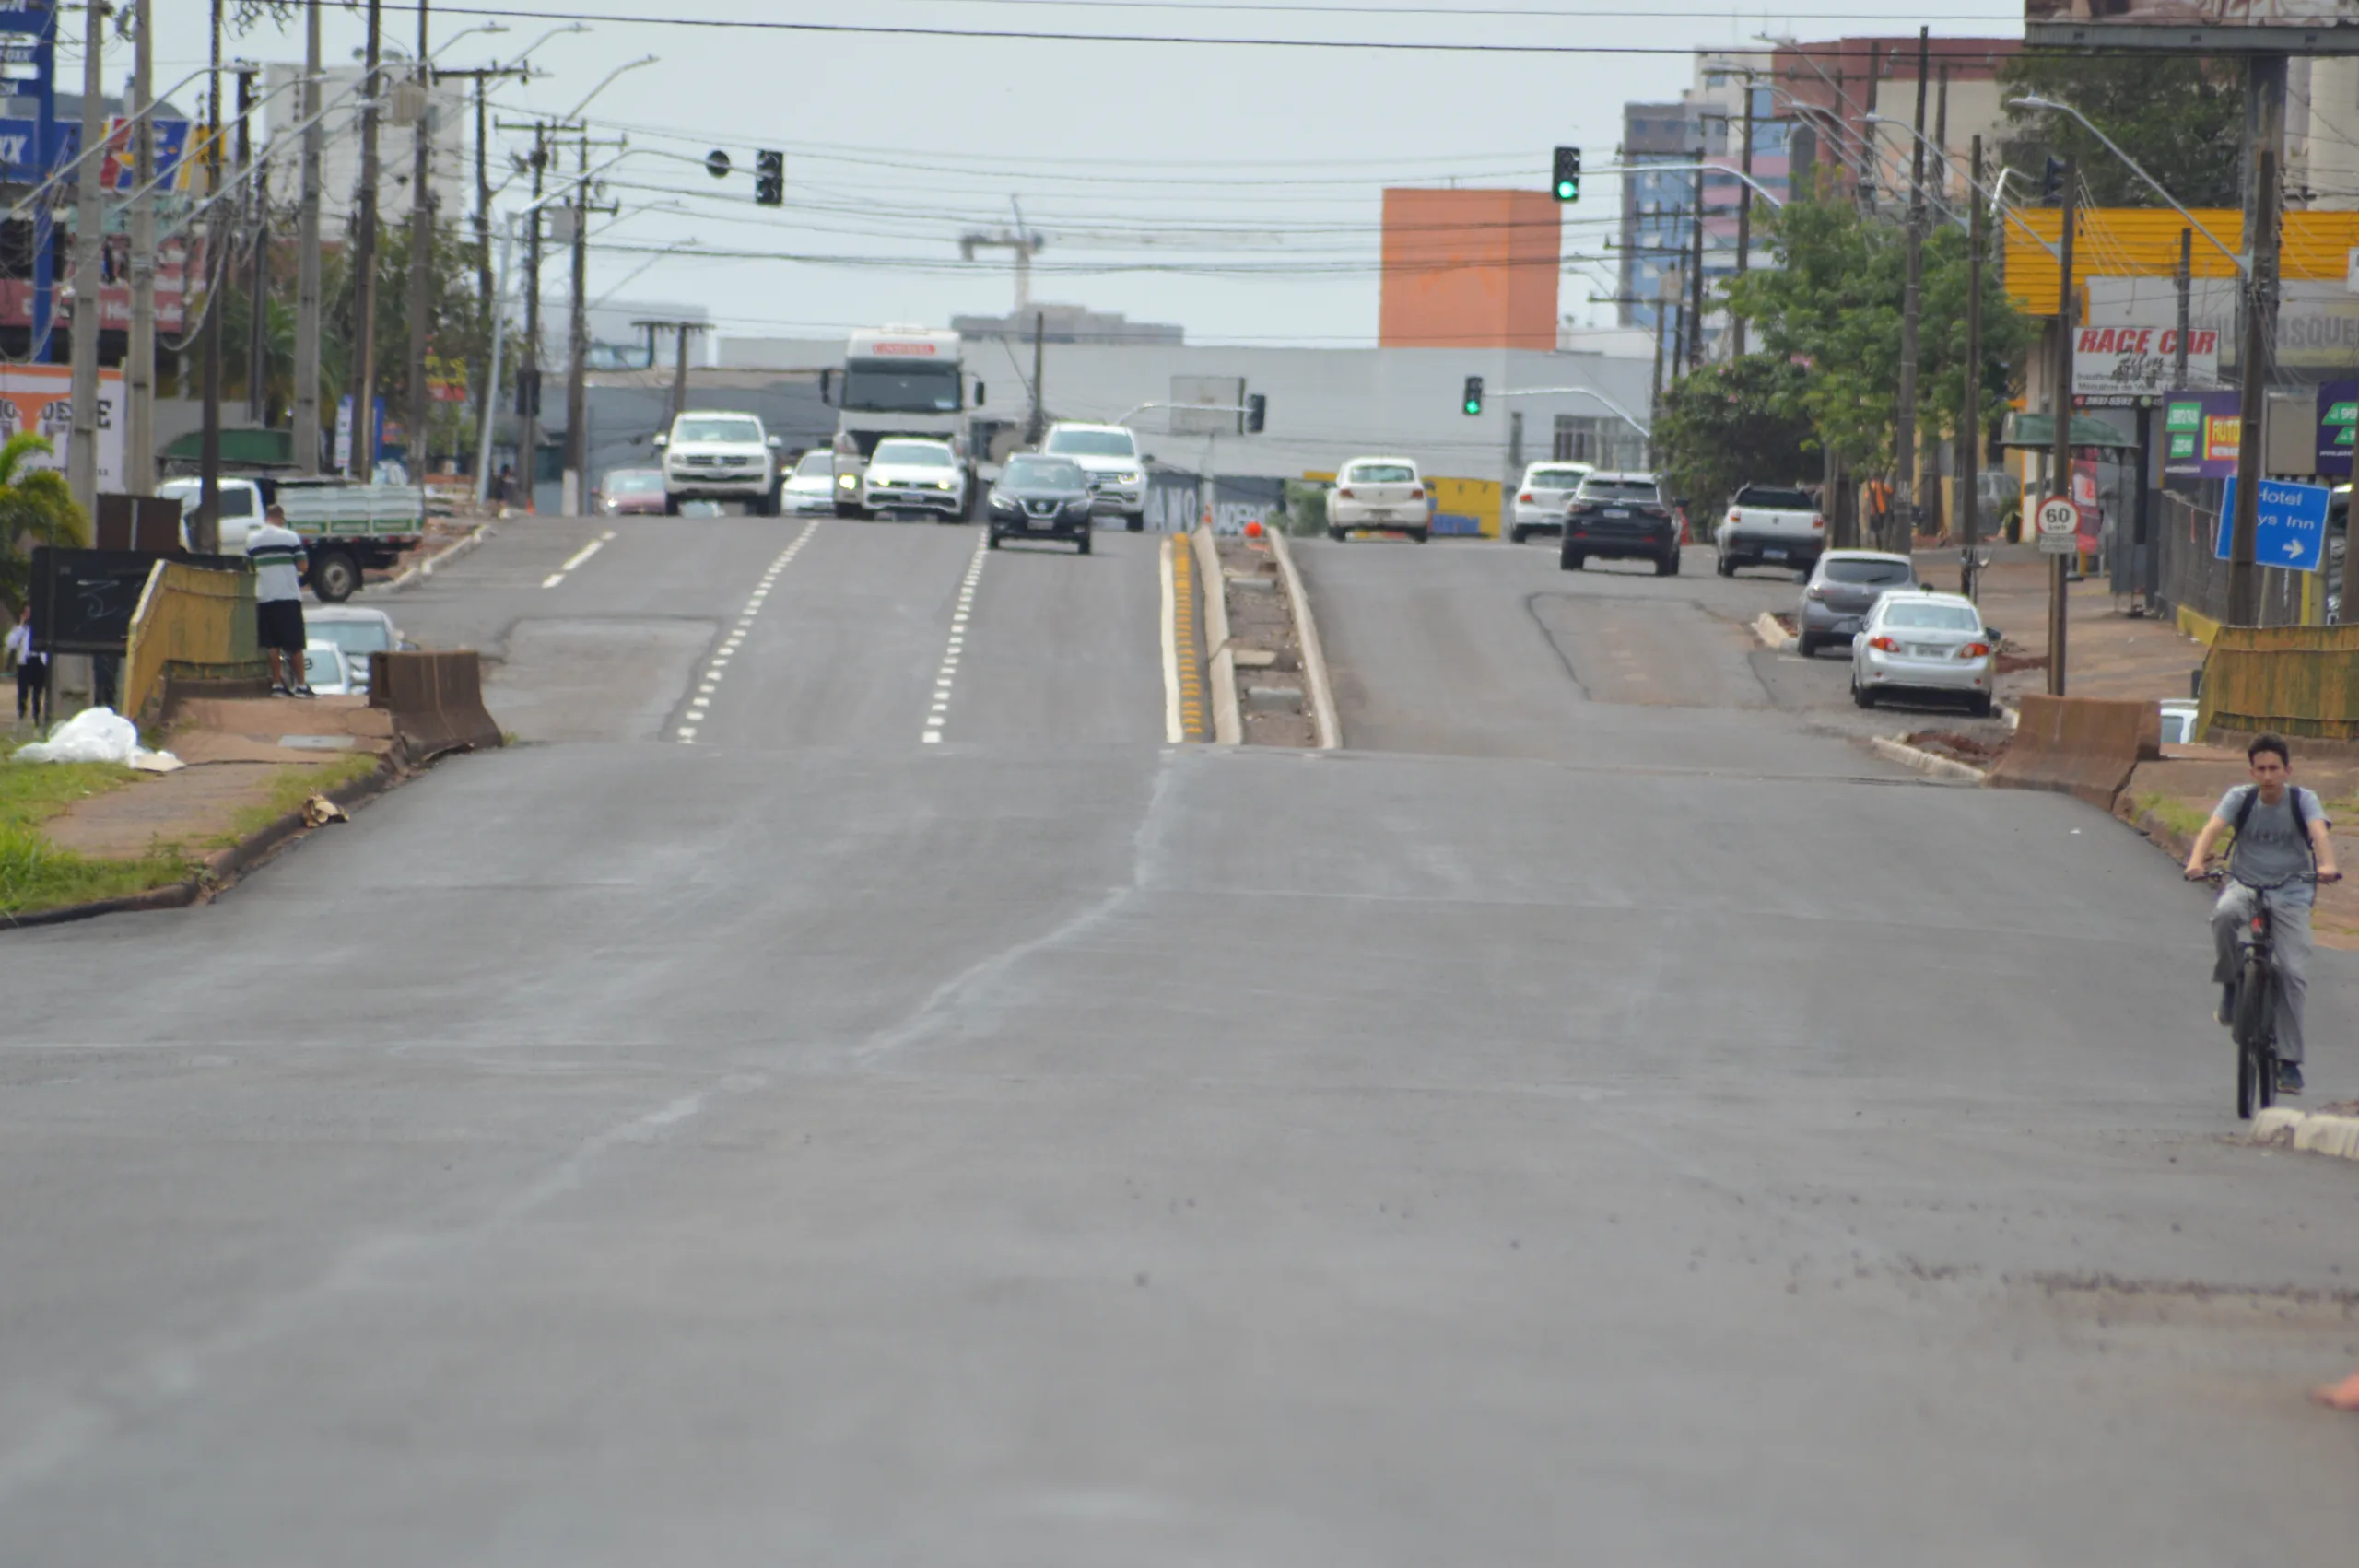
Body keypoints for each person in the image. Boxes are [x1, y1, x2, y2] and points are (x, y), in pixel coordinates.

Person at [2182, 733, 2341, 1095]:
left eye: (2275, 769)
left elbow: (2318, 833)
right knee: (2222, 915)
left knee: (2293, 973)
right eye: (2261, 769)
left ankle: (2289, 1062)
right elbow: (2212, 829)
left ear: (2288, 770)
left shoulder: (2303, 800)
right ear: (2251, 772)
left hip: (2292, 889)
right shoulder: (2241, 798)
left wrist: (2328, 864)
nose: (2268, 776)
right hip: (2245, 883)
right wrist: (2195, 862)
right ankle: (2232, 985)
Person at [247, 503, 313, 697]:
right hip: (288, 596)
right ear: (281, 518)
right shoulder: (290, 537)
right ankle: (301, 686)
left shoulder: (253, 540)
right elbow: (303, 566)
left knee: (272, 645)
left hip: (265, 597)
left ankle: (277, 685)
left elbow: (249, 567)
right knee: (295, 644)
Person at [6, 603, 46, 727]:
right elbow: (10, 643)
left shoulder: (41, 628)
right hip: (25, 662)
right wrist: (21, 626)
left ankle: (36, 716)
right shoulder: (20, 629)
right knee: (23, 690)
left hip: (38, 661)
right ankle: (22, 714)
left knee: (37, 691)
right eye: (26, 613)